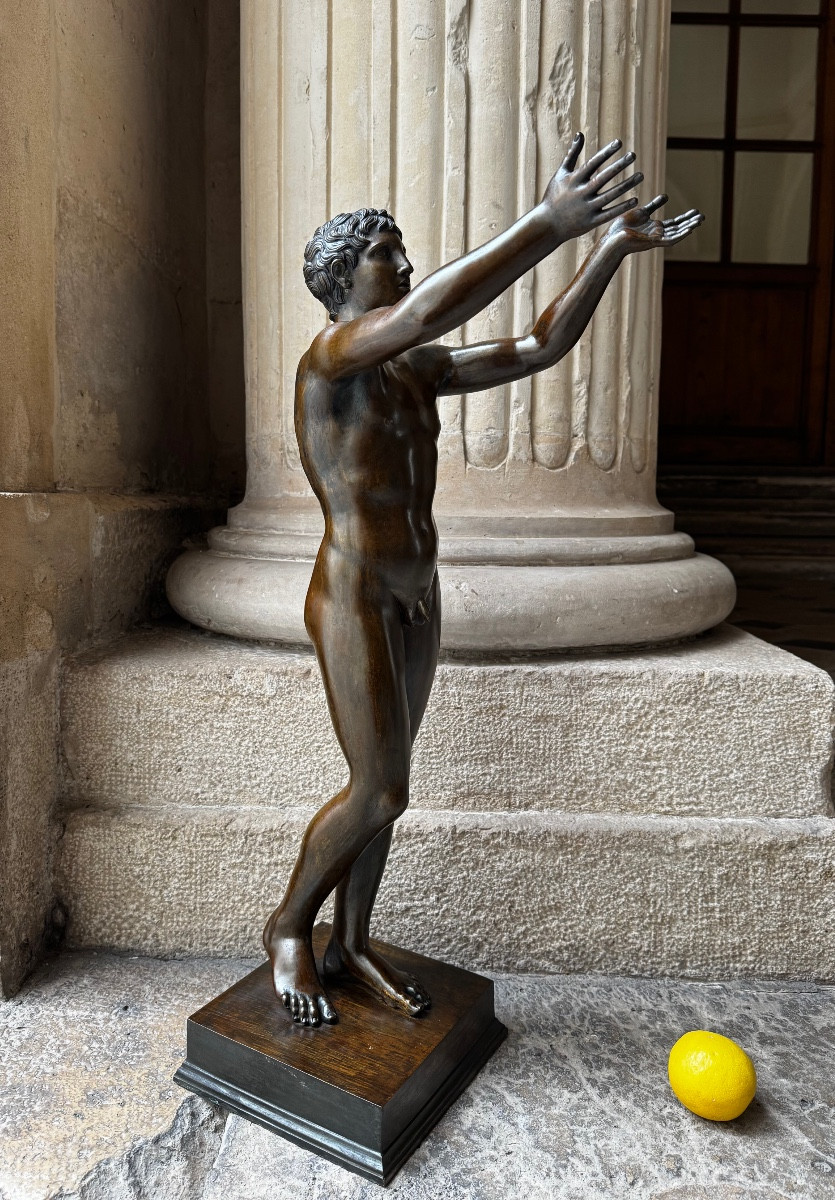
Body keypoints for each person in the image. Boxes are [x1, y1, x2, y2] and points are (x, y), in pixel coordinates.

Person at [263, 133, 703, 1027]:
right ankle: (286, 928)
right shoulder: (331, 360)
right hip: (350, 592)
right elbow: (427, 313)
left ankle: (351, 940)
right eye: (389, 254)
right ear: (347, 274)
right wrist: (547, 222)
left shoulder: (412, 370)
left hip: (417, 593)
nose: (407, 263)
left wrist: (608, 249)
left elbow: (538, 347)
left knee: (389, 785)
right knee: (379, 787)